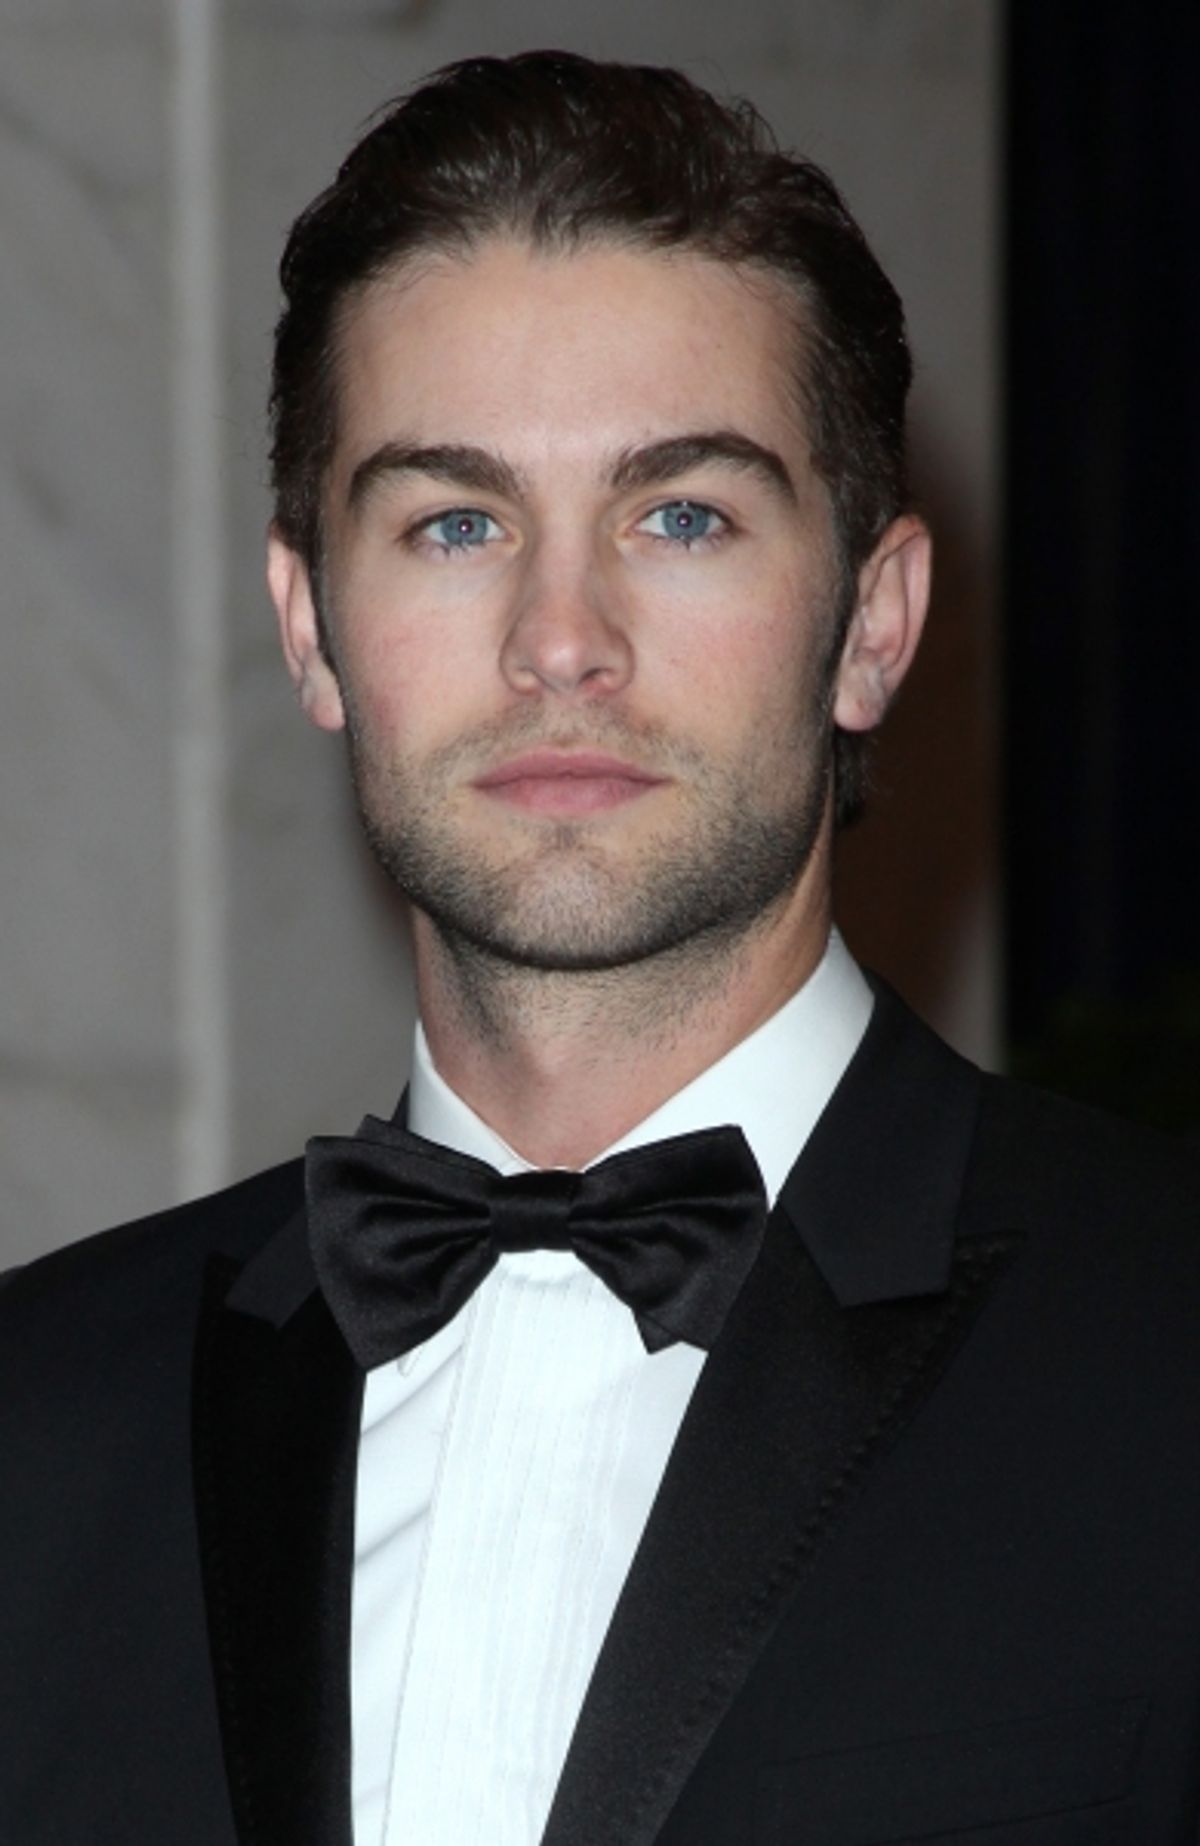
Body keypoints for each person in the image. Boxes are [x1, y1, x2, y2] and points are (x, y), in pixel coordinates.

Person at [1, 49, 1196, 1846]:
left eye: (682, 515)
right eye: (456, 521)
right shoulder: (35, 1426)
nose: (564, 638)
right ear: (312, 628)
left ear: (871, 622)